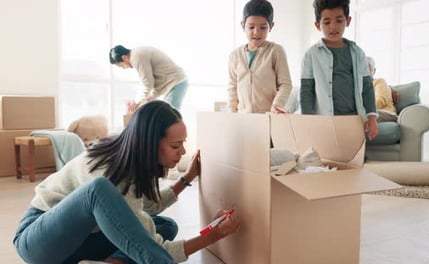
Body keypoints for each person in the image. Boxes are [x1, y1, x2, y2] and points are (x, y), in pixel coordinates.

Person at [13, 101, 239, 264]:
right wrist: (212, 235)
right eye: (175, 145)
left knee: (165, 226)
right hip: (39, 242)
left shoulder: (129, 159)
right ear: (150, 143)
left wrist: (186, 179)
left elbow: (140, 210)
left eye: (183, 143)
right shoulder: (111, 172)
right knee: (99, 190)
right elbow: (152, 246)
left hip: (78, 241)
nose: (182, 151)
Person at [300, 0, 378, 140]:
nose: (333, 27)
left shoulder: (357, 53)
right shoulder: (311, 55)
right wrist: (307, 121)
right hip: (325, 120)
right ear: (318, 25)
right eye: (327, 22)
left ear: (348, 21)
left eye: (339, 20)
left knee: (354, 158)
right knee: (326, 158)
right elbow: (307, 91)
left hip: (354, 118)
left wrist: (372, 117)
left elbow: (367, 87)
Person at [228, 0, 292, 114]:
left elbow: (285, 84)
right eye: (251, 27)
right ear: (243, 25)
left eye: (263, 27)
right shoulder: (235, 55)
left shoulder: (276, 51)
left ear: (271, 26)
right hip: (243, 118)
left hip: (268, 116)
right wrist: (231, 113)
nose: (256, 32)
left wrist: (277, 105)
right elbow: (232, 87)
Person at [109, 45, 188, 112]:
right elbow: (151, 81)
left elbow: (147, 84)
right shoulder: (137, 54)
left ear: (124, 58)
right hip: (174, 84)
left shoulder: (137, 57)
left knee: (170, 120)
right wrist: (148, 97)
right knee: (168, 119)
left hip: (175, 83)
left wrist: (136, 102)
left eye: (120, 65)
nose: (123, 68)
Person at [366, 56, 398, 122]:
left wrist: (361, 109)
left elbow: (380, 101)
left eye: (369, 68)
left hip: (387, 113)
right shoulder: (360, 87)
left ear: (374, 71)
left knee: (362, 115)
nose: (366, 71)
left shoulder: (379, 81)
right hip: (372, 112)